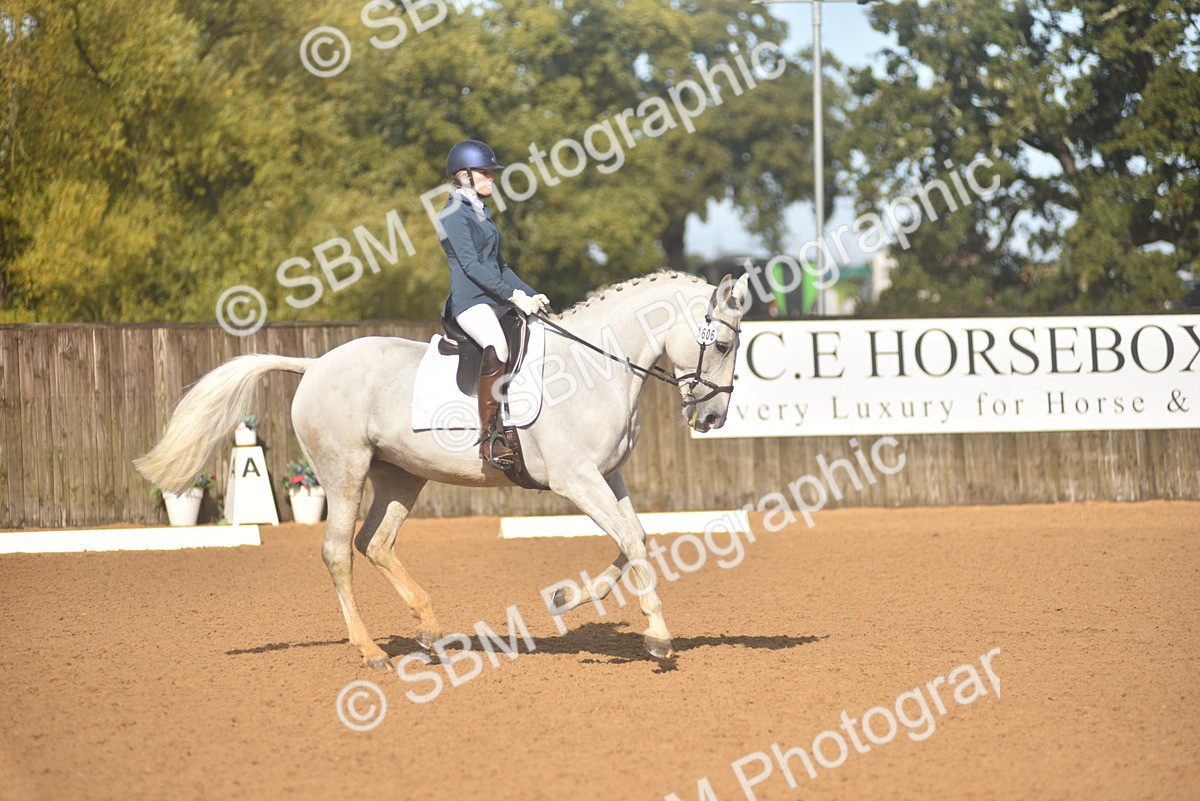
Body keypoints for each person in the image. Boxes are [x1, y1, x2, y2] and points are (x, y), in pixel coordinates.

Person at [437, 139, 549, 466]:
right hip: (469, 301)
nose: (492, 178)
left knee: (536, 329)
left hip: (494, 296)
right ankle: (489, 438)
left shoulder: (482, 212)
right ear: (464, 175)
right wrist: (511, 296)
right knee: (497, 345)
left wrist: (530, 293)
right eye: (486, 172)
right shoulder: (453, 214)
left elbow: (500, 266)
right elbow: (471, 266)